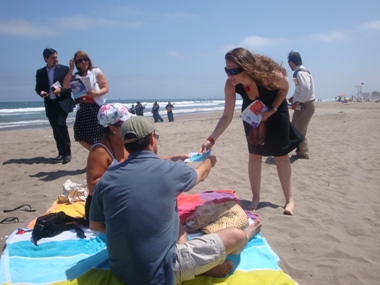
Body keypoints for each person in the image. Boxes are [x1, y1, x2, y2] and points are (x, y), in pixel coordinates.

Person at [90, 116, 262, 285]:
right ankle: (232, 246)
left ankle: (196, 265)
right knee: (236, 235)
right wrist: (210, 160)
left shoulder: (107, 179)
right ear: (152, 138)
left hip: (121, 270)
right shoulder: (169, 170)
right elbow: (201, 174)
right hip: (162, 273)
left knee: (174, 220)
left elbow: (95, 226)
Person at [199, 47, 303, 215]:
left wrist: (272, 110)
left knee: (281, 155)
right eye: (227, 70)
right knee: (254, 154)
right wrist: (211, 139)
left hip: (276, 110)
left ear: (246, 68)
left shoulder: (271, 75)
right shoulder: (231, 85)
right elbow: (226, 116)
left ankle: (289, 200)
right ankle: (255, 198)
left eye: (233, 70)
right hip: (253, 113)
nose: (229, 75)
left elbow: (285, 88)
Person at [85, 103, 133, 222]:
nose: (131, 126)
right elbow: (92, 186)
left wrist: (173, 158)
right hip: (103, 209)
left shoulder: (127, 143)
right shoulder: (99, 151)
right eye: (127, 123)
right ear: (113, 129)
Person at [35, 48, 75, 164]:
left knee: (61, 125)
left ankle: (67, 153)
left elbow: (70, 87)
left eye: (56, 57)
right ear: (46, 59)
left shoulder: (64, 69)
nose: (55, 59)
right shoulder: (40, 72)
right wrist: (41, 92)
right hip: (50, 104)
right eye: (52, 58)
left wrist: (61, 90)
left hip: (62, 103)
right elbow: (38, 87)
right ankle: (61, 153)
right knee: (55, 129)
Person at [63, 50, 109, 150]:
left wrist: (97, 93)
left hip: (96, 107)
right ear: (76, 63)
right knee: (79, 135)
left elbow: (106, 87)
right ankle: (97, 152)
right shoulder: (75, 76)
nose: (83, 62)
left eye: (85, 59)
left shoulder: (95, 72)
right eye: (80, 60)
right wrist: (70, 69)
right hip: (83, 108)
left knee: (98, 135)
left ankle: (100, 154)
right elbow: (66, 85)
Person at [287, 51, 315, 160]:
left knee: (299, 130)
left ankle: (303, 153)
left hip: (305, 105)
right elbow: (300, 90)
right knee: (295, 127)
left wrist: (298, 102)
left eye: (290, 64)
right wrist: (294, 98)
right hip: (304, 104)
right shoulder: (303, 71)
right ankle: (300, 151)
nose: (290, 67)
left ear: (292, 62)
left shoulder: (300, 73)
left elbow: (306, 89)